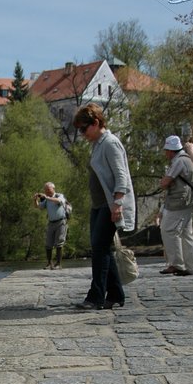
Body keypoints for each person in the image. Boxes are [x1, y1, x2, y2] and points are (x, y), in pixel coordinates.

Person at [72, 103, 135, 310]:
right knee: (102, 248)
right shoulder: (98, 144)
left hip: (109, 205)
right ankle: (115, 293)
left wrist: (117, 204)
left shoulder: (110, 143)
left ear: (96, 123)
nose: (82, 134)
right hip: (99, 205)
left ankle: (96, 296)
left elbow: (121, 176)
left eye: (83, 128)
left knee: (99, 249)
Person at [159, 135, 193, 276]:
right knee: (186, 234)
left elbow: (165, 182)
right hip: (188, 200)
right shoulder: (187, 159)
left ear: (170, 150)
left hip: (179, 201)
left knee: (167, 230)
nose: (166, 153)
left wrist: (164, 181)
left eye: (166, 150)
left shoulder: (179, 161)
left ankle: (176, 264)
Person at [33, 181, 67, 269]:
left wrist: (46, 197)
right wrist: (35, 199)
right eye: (45, 190)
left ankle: (58, 264)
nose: (47, 191)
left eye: (48, 189)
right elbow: (38, 207)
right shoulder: (46, 199)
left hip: (61, 222)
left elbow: (58, 201)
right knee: (48, 243)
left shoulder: (59, 195)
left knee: (59, 243)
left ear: (53, 189)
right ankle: (49, 263)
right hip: (51, 223)